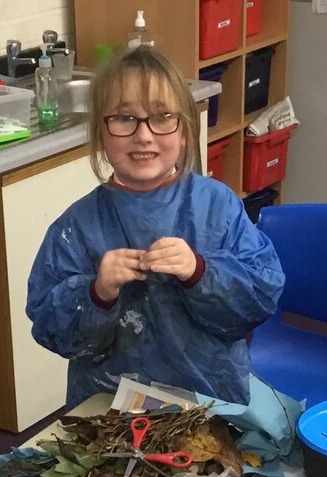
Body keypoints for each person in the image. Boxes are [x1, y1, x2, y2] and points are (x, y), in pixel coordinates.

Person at [26, 45, 284, 405]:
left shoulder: (216, 206)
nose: (144, 135)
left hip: (209, 400)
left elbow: (260, 298)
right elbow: (52, 330)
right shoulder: (76, 227)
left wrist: (200, 271)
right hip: (109, 407)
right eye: (124, 118)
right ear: (100, 133)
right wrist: (97, 292)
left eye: (162, 117)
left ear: (184, 132)